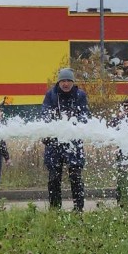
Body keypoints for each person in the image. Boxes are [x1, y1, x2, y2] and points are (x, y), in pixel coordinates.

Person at [42, 68, 90, 211]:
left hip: (73, 142)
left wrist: (74, 121)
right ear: (59, 82)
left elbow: (85, 115)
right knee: (54, 178)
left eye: (69, 80)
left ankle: (78, 208)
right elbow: (44, 112)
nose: (66, 84)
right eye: (63, 81)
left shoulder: (80, 95)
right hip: (54, 142)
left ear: (73, 82)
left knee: (75, 176)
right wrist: (53, 121)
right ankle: (55, 208)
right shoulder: (51, 94)